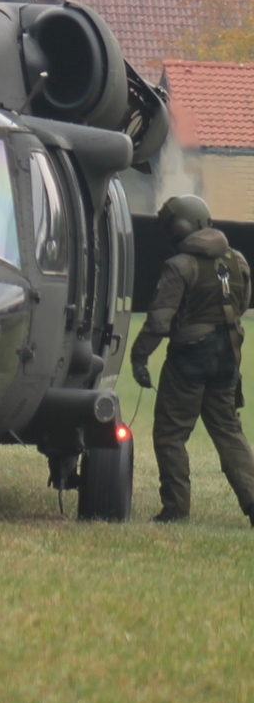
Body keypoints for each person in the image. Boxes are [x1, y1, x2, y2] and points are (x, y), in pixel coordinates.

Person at [130, 193, 254, 525]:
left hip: (189, 360)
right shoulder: (237, 261)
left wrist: (139, 356)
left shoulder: (179, 266)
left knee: (171, 435)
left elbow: (159, 320)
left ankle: (176, 510)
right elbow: (242, 306)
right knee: (229, 432)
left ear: (180, 228)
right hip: (228, 356)